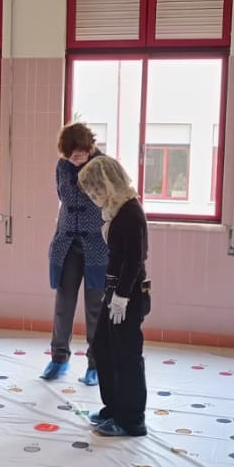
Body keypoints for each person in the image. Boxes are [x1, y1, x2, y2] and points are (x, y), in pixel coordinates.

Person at [77, 156, 151, 438]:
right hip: (115, 293)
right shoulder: (116, 211)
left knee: (126, 356)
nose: (95, 198)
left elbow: (134, 259)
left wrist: (121, 296)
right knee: (103, 348)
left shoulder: (131, 212)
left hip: (128, 295)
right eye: (91, 193)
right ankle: (114, 408)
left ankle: (132, 419)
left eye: (97, 191)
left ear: (111, 184)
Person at [45, 123, 108, 385]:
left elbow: (107, 199)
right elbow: (64, 197)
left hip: (96, 244)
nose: (76, 159)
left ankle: (96, 363)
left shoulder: (104, 165)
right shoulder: (62, 166)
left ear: (89, 147)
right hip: (67, 243)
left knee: (95, 306)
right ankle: (59, 358)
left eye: (80, 153)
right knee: (64, 302)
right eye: (71, 155)